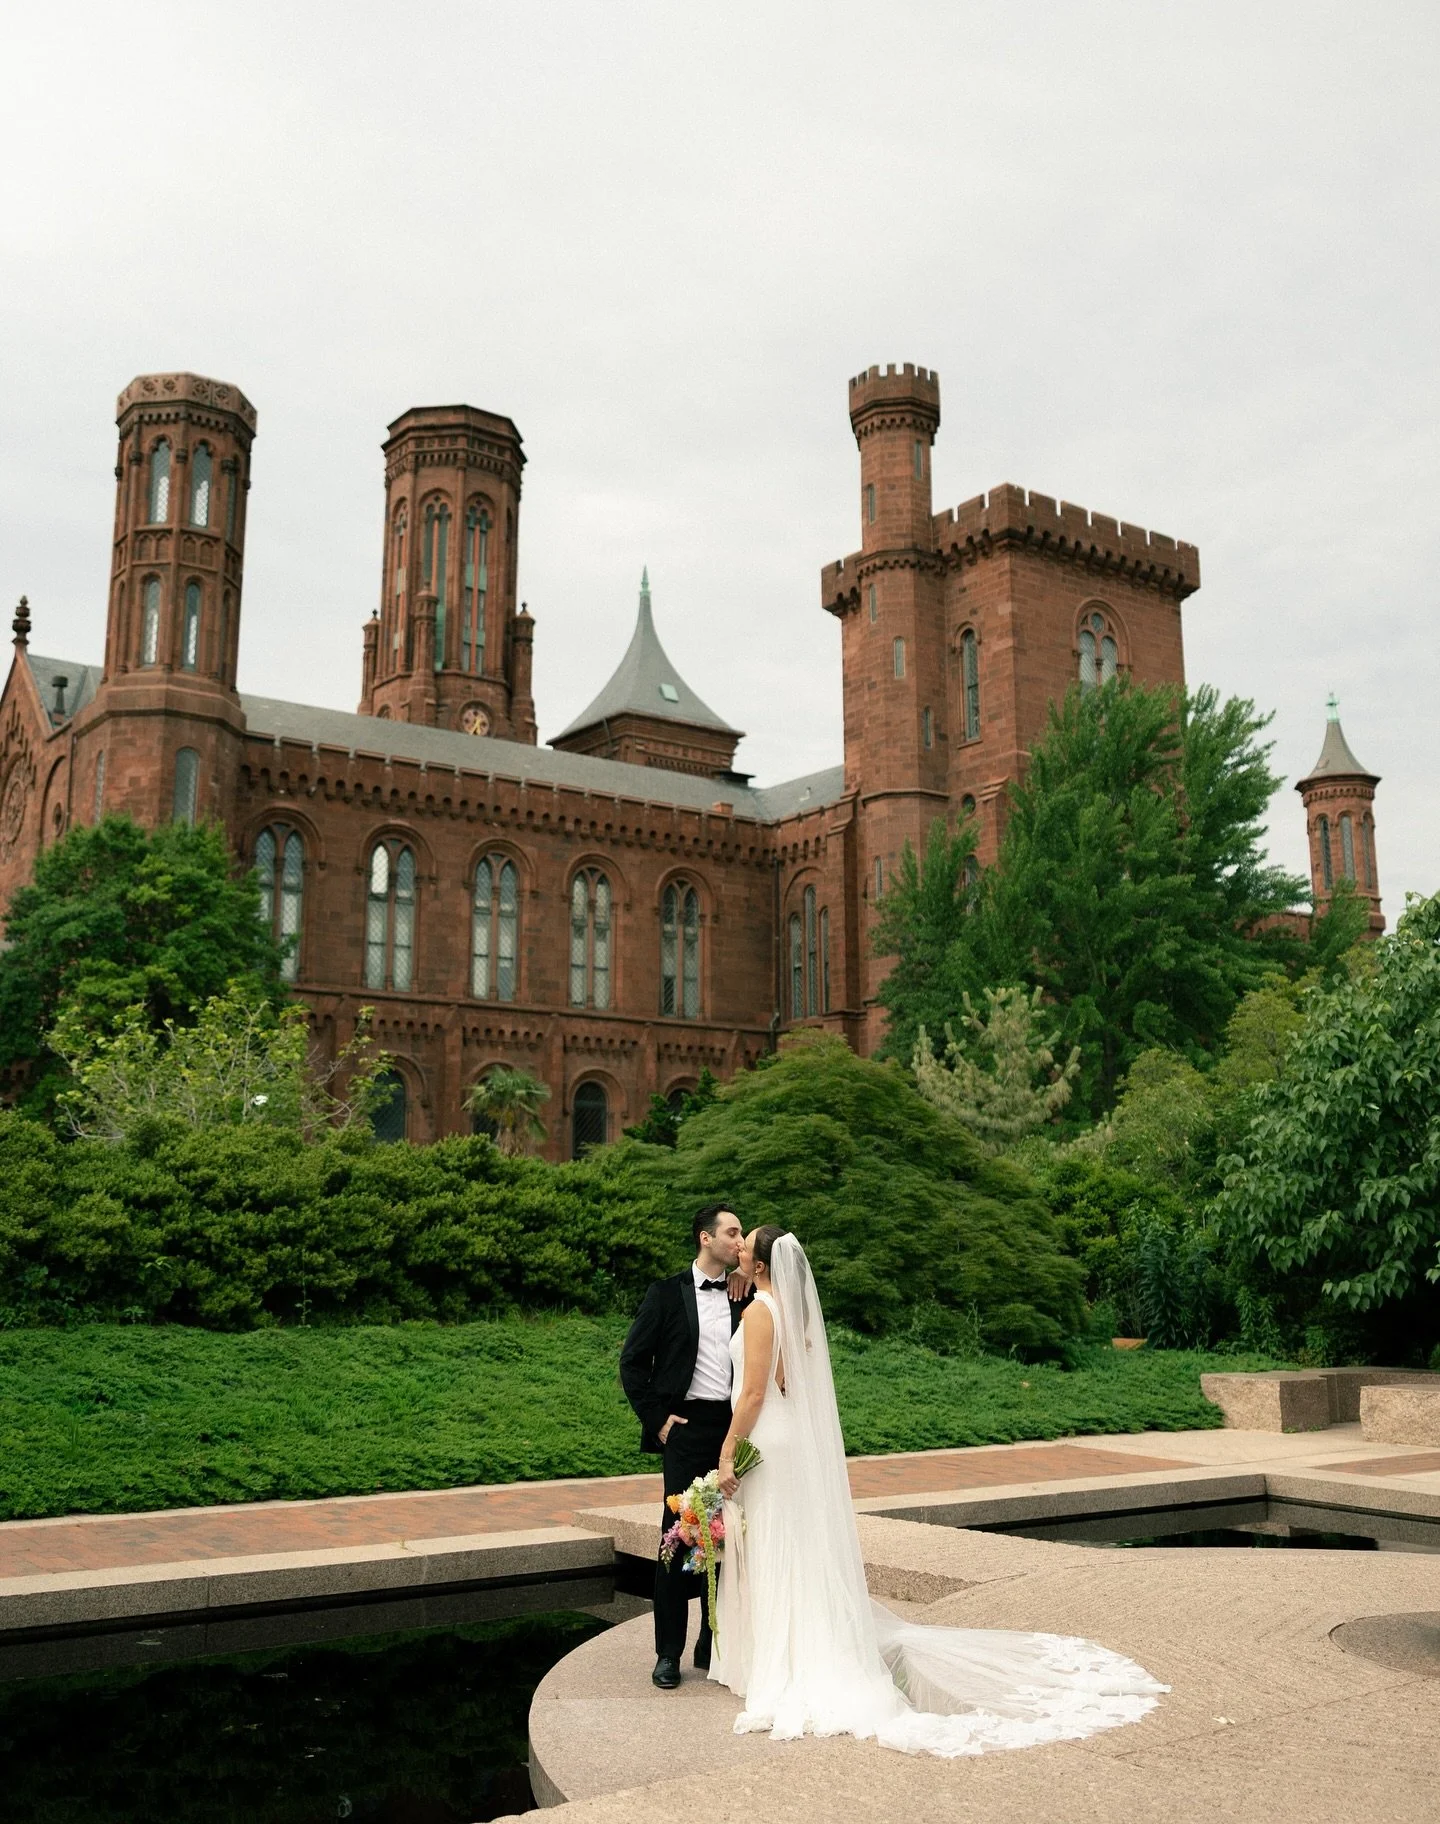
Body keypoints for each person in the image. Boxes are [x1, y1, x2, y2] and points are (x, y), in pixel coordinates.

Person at [709, 1225, 1168, 1756]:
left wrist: (726, 1453)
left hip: (766, 1438)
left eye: (746, 1245)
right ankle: (800, 1648)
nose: (737, 1247)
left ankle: (790, 1662)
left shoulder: (760, 1312)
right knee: (793, 1546)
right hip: (786, 1440)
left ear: (762, 1265)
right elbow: (788, 1380)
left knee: (781, 1545)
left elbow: (755, 1391)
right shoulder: (791, 1312)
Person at [619, 1202, 751, 1690]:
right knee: (679, 1537)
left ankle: (710, 1642)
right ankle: (668, 1653)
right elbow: (633, 1362)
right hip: (687, 1428)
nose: (739, 1240)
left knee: (732, 1537)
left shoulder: (747, 1293)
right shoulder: (665, 1294)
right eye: (732, 1232)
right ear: (705, 1238)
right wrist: (658, 1421)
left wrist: (745, 1275)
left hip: (737, 1428)